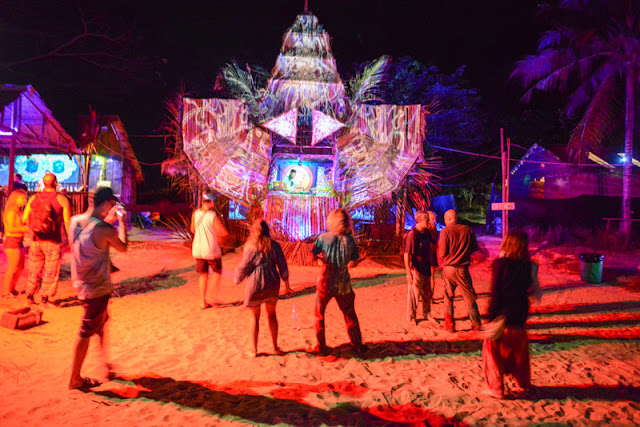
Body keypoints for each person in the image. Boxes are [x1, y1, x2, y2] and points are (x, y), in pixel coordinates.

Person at [68, 187, 128, 390]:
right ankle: (75, 378)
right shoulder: (104, 229)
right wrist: (122, 223)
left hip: (80, 282)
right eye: (111, 204)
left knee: (100, 324)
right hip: (96, 288)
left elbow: (89, 237)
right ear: (106, 203)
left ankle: (104, 365)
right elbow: (122, 247)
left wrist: (108, 221)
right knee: (86, 331)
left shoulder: (75, 221)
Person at [482, 231, 541, 399]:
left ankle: (496, 388)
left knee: (492, 353)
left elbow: (496, 293)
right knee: (520, 354)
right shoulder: (528, 266)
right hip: (520, 314)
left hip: (502, 315)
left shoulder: (501, 264)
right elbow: (532, 290)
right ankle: (524, 385)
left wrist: (491, 317)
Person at [311, 208, 366, 355]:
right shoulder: (350, 241)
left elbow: (312, 254)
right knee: (349, 314)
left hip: (325, 282)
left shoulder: (323, 238)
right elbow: (353, 262)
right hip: (343, 283)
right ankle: (357, 344)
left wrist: (319, 260)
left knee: (319, 315)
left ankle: (321, 347)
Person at [234, 220, 292, 357]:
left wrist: (237, 279)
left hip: (255, 283)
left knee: (254, 317)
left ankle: (253, 350)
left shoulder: (250, 247)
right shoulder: (275, 246)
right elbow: (282, 265)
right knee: (272, 314)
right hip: (272, 281)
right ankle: (275, 347)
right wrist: (287, 285)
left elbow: (244, 266)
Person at [23, 171, 70, 305]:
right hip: (53, 241)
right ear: (56, 183)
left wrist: (34, 229)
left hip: (36, 240)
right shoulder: (62, 199)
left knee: (33, 269)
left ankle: (30, 296)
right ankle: (45, 298)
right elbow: (68, 222)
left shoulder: (34, 198)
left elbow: (25, 218)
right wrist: (69, 239)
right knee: (50, 270)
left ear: (44, 183)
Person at [438, 209, 481, 332]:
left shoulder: (445, 231)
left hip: (449, 268)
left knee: (448, 297)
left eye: (445, 219)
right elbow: (474, 249)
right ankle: (476, 324)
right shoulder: (467, 230)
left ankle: (449, 325)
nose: (444, 221)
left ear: (449, 218)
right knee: (469, 297)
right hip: (462, 269)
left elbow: (442, 253)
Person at [190, 192, 228, 309]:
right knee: (217, 271)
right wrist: (221, 241)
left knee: (203, 275)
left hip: (198, 249)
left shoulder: (195, 214)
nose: (214, 204)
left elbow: (192, 229)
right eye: (213, 202)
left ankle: (203, 302)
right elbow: (223, 232)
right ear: (211, 202)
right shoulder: (212, 216)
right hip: (211, 249)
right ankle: (211, 296)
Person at [403, 210, 435, 325]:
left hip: (426, 267)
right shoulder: (413, 234)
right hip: (416, 268)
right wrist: (408, 272)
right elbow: (407, 254)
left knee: (427, 293)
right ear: (420, 220)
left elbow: (433, 244)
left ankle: (427, 313)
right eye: (426, 220)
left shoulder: (427, 233)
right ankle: (411, 317)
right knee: (414, 294)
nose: (428, 222)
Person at [2, 189, 28, 298]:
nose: (25, 200)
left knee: (20, 267)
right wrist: (25, 229)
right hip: (12, 242)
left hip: (19, 242)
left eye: (25, 198)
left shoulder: (19, 212)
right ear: (15, 199)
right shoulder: (11, 213)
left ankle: (12, 289)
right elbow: (11, 229)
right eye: (22, 198)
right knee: (12, 268)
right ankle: (6, 292)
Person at [427, 210, 439, 303]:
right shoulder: (434, 229)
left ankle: (428, 297)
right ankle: (430, 298)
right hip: (432, 254)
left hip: (427, 254)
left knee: (426, 277)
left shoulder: (426, 230)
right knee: (431, 277)